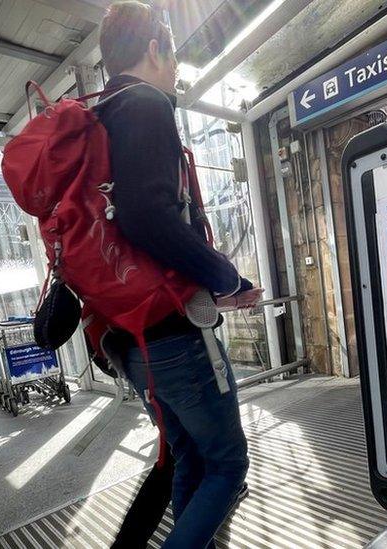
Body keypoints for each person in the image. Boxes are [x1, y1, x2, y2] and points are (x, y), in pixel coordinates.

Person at [96, 3, 263, 546]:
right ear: (154, 49)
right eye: (172, 56)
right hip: (171, 334)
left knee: (189, 455)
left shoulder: (102, 115)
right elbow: (149, 217)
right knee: (227, 466)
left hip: (130, 335)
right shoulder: (144, 104)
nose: (175, 72)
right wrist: (226, 278)